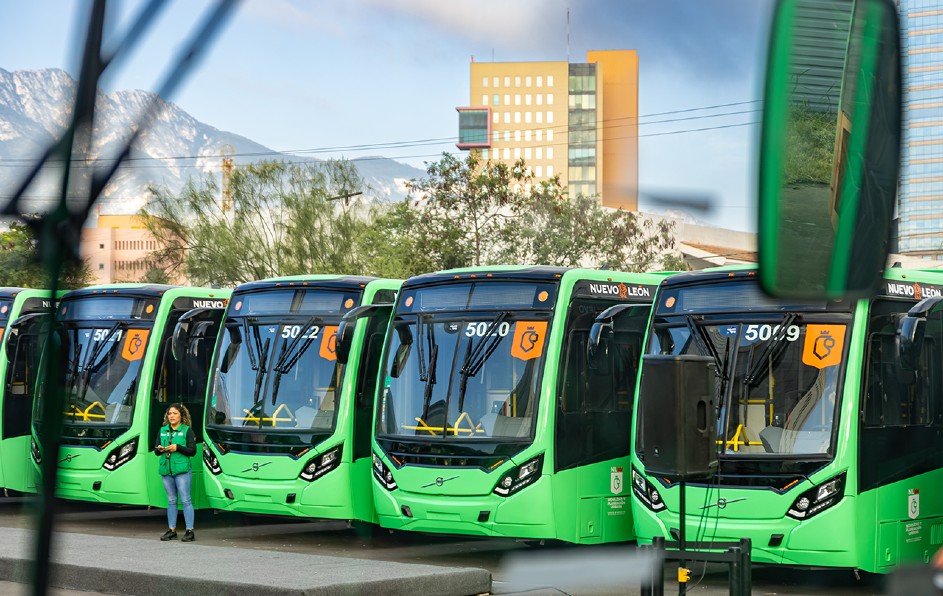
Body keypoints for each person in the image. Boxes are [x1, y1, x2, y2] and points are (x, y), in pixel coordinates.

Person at [154, 403, 197, 542]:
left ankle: (189, 531)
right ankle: (171, 530)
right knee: (171, 500)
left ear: (181, 416)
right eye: (169, 413)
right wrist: (160, 449)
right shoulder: (162, 430)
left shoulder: (187, 431)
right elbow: (155, 450)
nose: (171, 416)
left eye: (175, 413)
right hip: (166, 470)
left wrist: (178, 447)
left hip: (182, 470)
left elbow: (192, 451)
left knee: (186, 500)